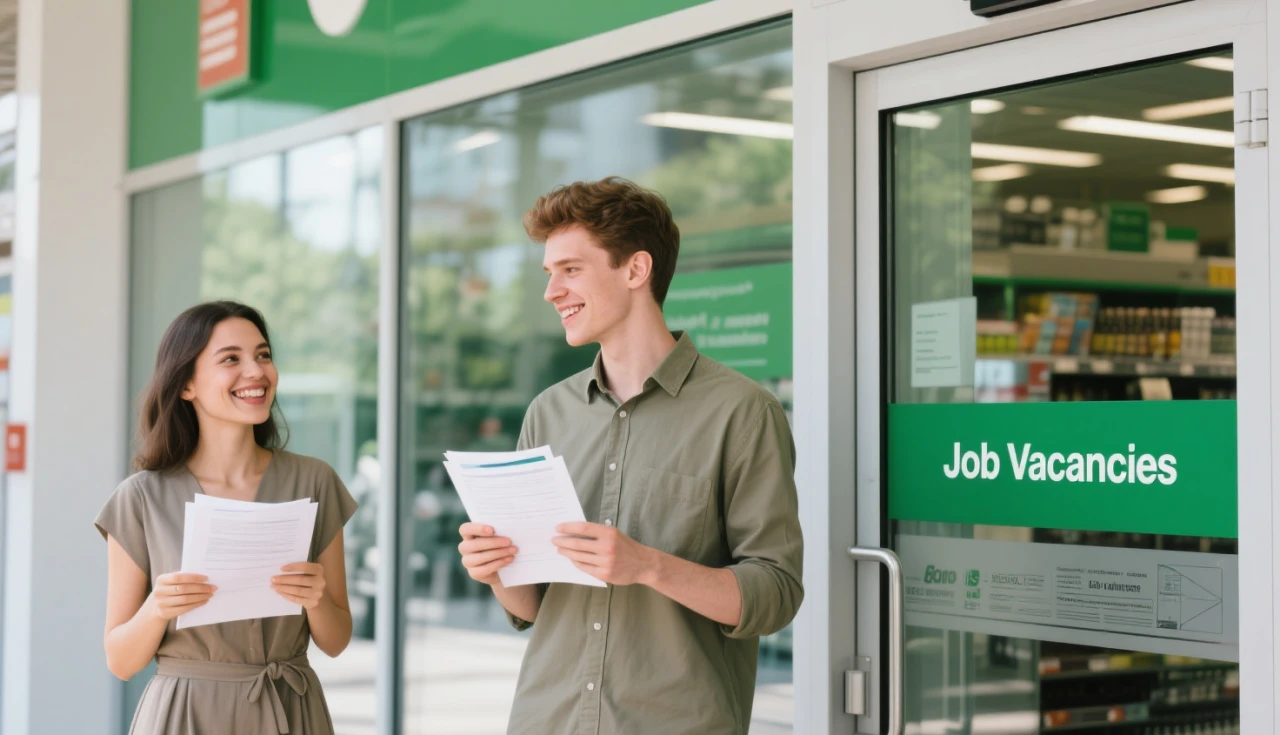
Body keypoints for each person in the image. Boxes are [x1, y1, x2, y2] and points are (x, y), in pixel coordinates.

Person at [457, 177, 804, 735]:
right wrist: (495, 571)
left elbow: (776, 595)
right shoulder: (547, 414)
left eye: (570, 269)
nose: (551, 292)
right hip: (549, 719)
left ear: (636, 270)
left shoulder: (743, 412)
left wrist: (646, 566)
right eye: (550, 273)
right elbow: (533, 607)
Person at [96, 301, 357, 735]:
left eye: (263, 355)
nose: (255, 371)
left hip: (291, 709)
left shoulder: (315, 481)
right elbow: (121, 662)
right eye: (231, 359)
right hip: (185, 715)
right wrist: (157, 608)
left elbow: (336, 640)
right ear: (186, 386)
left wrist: (315, 599)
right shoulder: (140, 497)